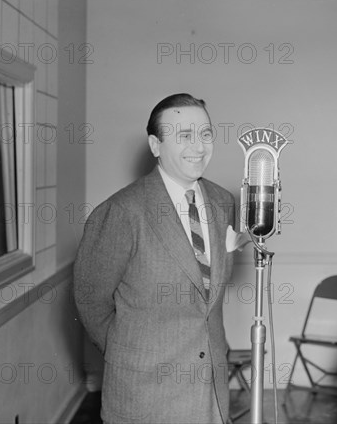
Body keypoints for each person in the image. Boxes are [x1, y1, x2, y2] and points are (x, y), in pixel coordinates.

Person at [74, 93, 238, 424]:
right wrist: (132, 353)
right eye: (184, 136)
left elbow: (207, 303)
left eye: (205, 134)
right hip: (145, 397)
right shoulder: (122, 212)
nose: (199, 146)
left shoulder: (223, 203)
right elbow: (90, 302)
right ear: (155, 145)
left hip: (211, 395)